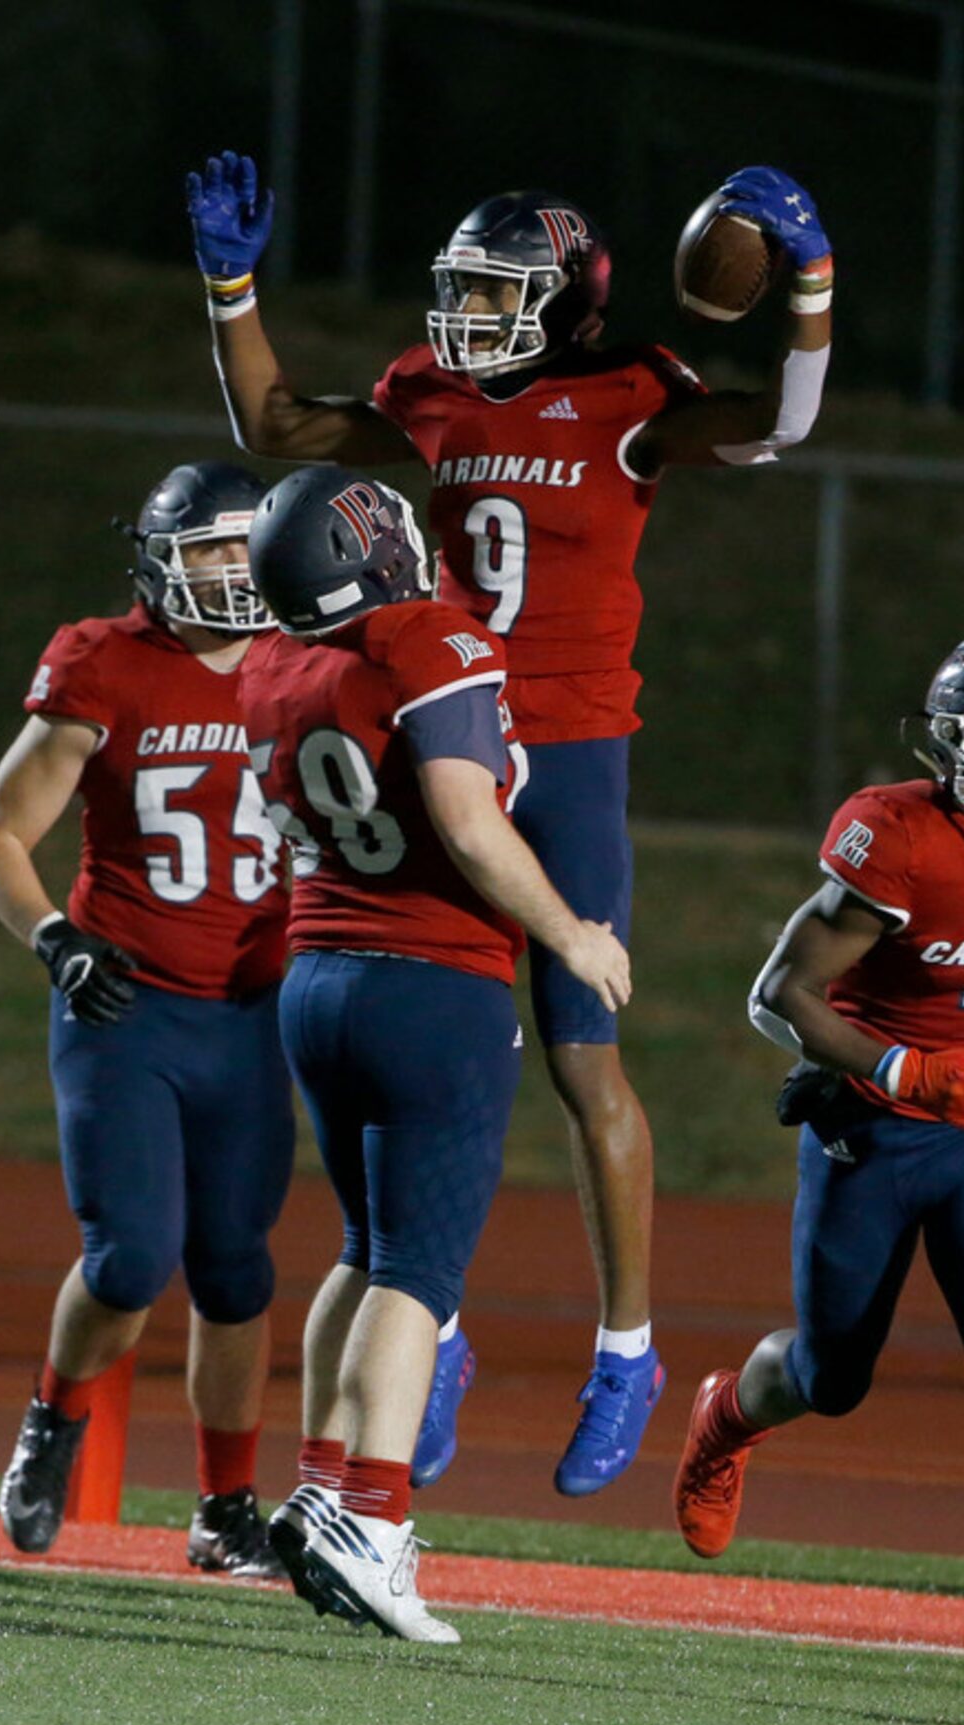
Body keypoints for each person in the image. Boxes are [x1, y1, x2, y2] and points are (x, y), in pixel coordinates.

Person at [185, 150, 834, 1496]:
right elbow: (275, 431)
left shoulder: (630, 394)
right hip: (453, 741)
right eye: (459, 290)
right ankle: (441, 1327)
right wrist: (229, 286)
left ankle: (628, 1350)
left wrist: (812, 286)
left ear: (562, 304)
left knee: (582, 1063)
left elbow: (782, 424)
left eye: (494, 292)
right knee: (428, 1040)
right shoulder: (426, 394)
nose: (464, 316)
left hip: (576, 754)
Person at [671, 633, 964, 1711]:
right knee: (833, 1379)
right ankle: (726, 1417)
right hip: (875, 1129)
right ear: (960, 750)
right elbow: (778, 993)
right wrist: (902, 1066)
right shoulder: (900, 838)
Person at [237, 465, 631, 1643]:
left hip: (317, 978)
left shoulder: (270, 662)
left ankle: (315, 1487)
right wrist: (568, 930)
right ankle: (375, 1520)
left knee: (360, 1252)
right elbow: (467, 819)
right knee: (418, 1271)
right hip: (432, 983)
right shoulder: (430, 640)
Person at [0, 462, 295, 1576]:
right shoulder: (104, 662)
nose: (232, 572)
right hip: (129, 1003)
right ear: (159, 560)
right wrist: (55, 940)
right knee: (129, 1259)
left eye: (246, 547)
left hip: (257, 1011)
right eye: (208, 549)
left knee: (237, 1272)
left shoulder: (314, 661)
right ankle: (53, 1422)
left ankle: (225, 1509)